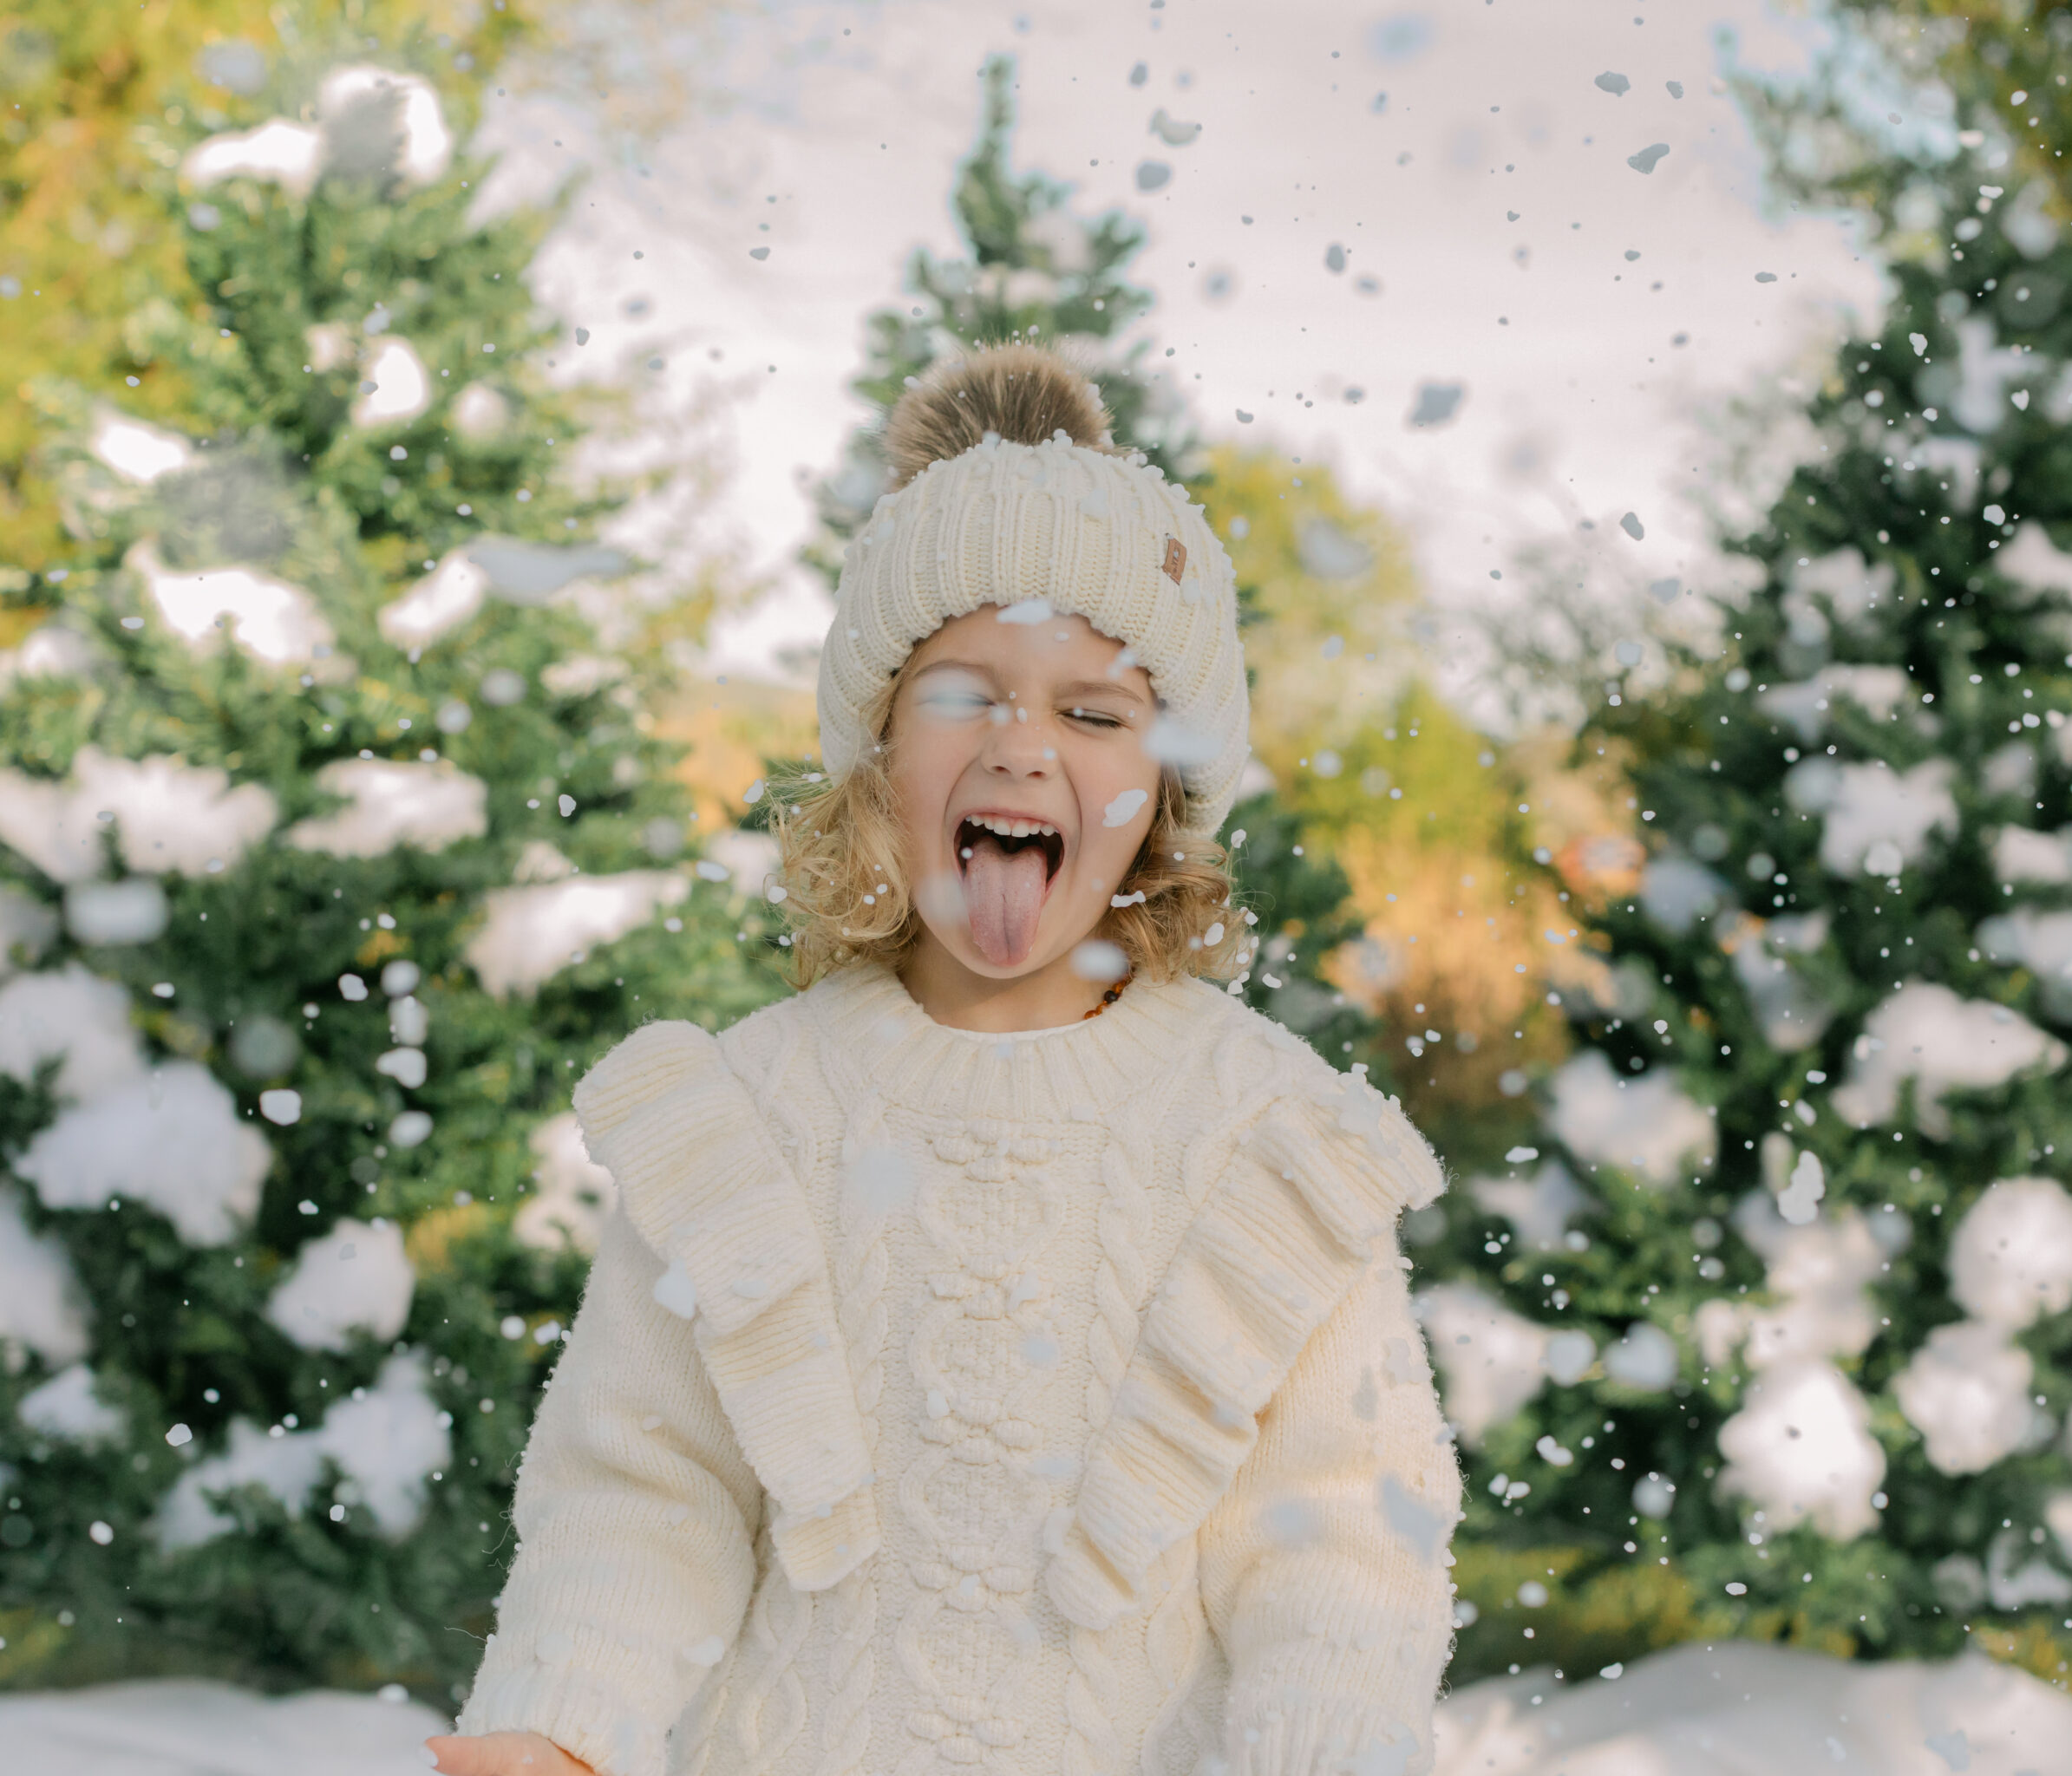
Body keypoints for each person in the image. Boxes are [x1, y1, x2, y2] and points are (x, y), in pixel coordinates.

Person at [428, 341, 1461, 1776]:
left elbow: (1342, 1533)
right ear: (876, 758)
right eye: (965, 694)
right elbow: (646, 1488)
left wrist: (1327, 1741)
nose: (1026, 749)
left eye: (1095, 714)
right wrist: (558, 1722)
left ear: (1159, 793)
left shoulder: (1263, 1139)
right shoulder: (753, 1118)